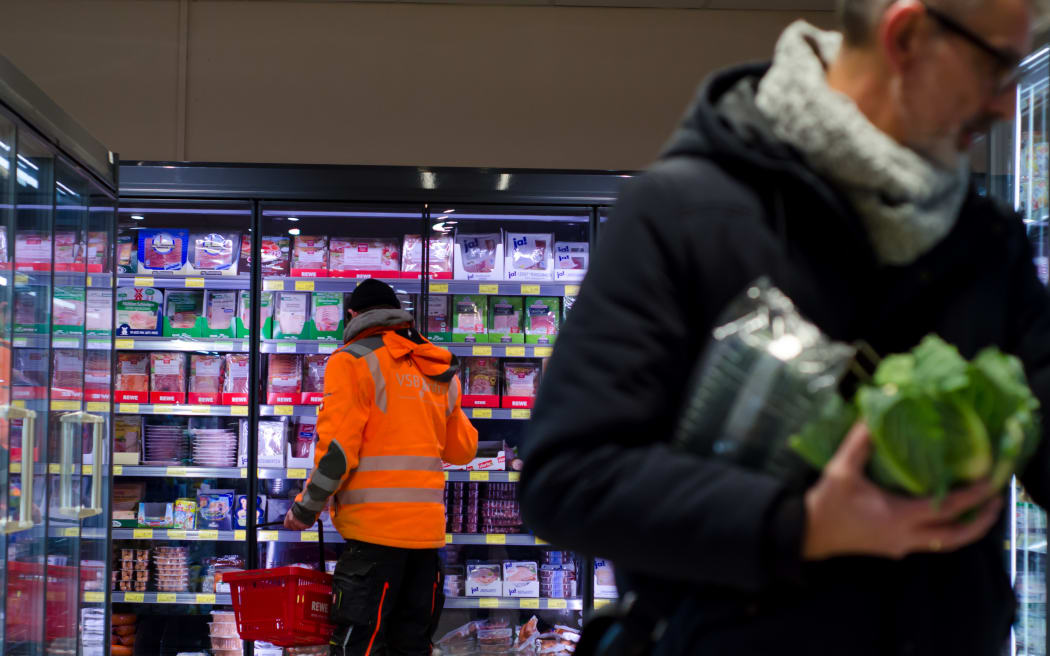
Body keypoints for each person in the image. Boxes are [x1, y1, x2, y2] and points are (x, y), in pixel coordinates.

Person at [519, 1, 1050, 654]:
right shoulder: (678, 215)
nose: (1005, 105)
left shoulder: (985, 242)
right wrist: (801, 524)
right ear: (908, 37)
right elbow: (567, 478)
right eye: (996, 66)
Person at [284, 278, 479, 656]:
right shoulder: (437, 367)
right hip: (426, 545)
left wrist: (305, 509)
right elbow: (463, 449)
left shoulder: (352, 360)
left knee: (361, 646)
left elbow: (337, 452)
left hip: (374, 543)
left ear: (353, 315)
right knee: (412, 646)